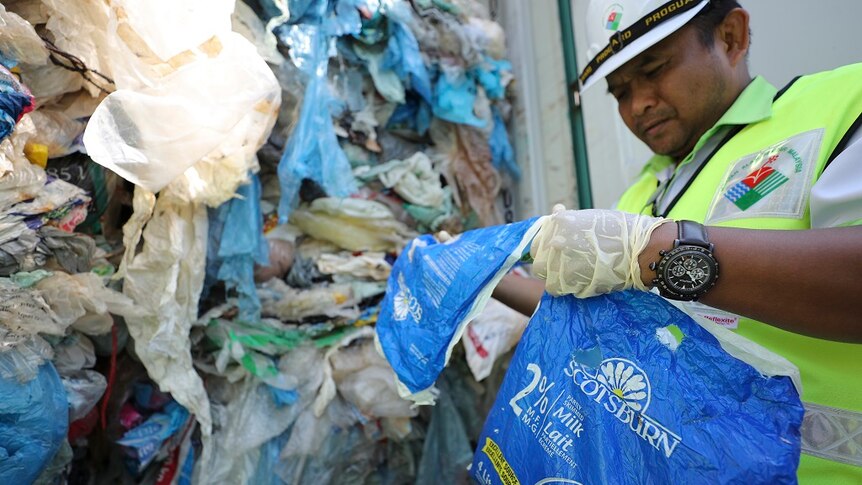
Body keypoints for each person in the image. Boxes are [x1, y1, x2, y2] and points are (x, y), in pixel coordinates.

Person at [493, 0, 862, 482]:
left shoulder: (839, 106)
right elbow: (586, 305)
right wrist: (488, 278)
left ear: (731, 36)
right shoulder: (641, 193)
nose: (638, 103)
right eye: (619, 91)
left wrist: (658, 251)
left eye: (654, 69)